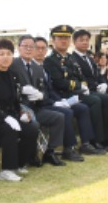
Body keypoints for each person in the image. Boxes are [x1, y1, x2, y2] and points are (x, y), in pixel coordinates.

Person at [10, 35, 67, 167]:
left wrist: (41, 95)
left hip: (36, 107)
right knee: (32, 125)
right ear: (19, 47)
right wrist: (21, 91)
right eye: (25, 46)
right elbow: (8, 88)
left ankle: (50, 152)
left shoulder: (37, 68)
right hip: (19, 109)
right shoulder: (13, 64)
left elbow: (44, 90)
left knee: (59, 117)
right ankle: (30, 155)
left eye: (32, 46)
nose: (29, 49)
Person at [0, 39, 39, 182]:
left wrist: (21, 113)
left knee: (31, 128)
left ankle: (19, 164)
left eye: (9, 53)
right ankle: (6, 170)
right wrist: (5, 117)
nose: (5, 57)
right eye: (1, 54)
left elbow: (16, 100)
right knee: (10, 129)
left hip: (11, 114)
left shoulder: (13, 75)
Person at [69, 29, 108, 148]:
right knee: (107, 100)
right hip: (84, 92)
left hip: (96, 90)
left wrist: (103, 83)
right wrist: (93, 86)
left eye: (86, 40)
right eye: (81, 40)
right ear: (74, 42)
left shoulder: (89, 58)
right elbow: (77, 78)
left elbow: (99, 75)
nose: (85, 42)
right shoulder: (72, 59)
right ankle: (100, 139)